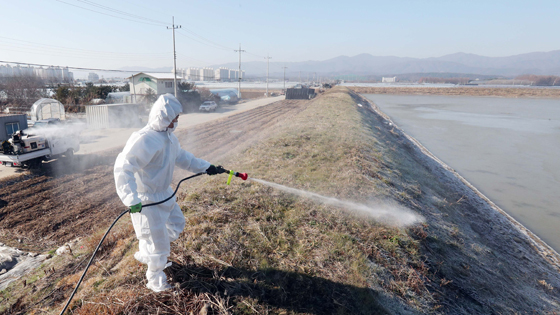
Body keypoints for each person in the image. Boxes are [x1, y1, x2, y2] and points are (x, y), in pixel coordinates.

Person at [114, 94, 221, 292]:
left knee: (177, 224)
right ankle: (156, 280)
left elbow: (184, 158)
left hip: (165, 194)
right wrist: (131, 198)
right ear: (163, 117)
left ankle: (150, 251)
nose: (176, 121)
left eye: (177, 117)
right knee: (159, 245)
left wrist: (208, 167)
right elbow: (123, 167)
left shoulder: (169, 138)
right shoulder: (144, 139)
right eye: (174, 117)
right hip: (147, 200)